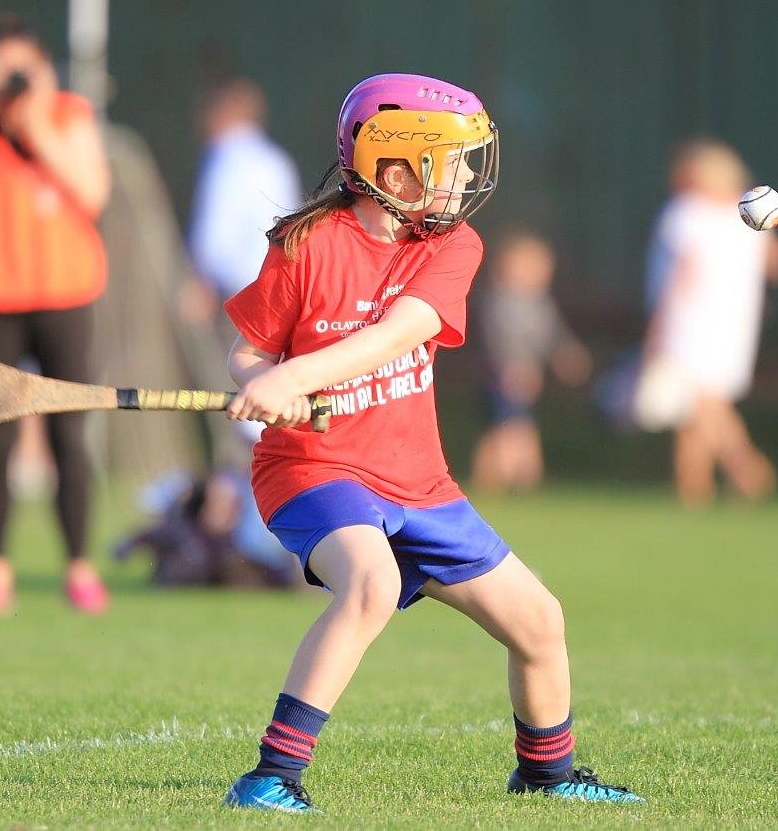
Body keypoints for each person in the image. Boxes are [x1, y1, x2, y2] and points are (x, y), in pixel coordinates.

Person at [217, 73, 644, 812]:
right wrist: (264, 386)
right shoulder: (305, 244)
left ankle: (546, 772)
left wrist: (302, 373)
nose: (467, 178)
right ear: (394, 169)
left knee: (540, 621)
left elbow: (397, 334)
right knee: (371, 584)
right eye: (451, 162)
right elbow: (248, 351)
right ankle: (270, 776)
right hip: (315, 468)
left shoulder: (453, 245)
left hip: (417, 479)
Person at [0, 14, 112, 613]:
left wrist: (36, 120)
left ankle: (80, 568)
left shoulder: (68, 115)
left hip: (66, 298)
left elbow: (92, 193)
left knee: (69, 432)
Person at [644, 139, 778, 506]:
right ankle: (695, 490)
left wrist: (657, 329)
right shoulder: (746, 214)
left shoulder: (685, 212)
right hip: (735, 323)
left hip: (691, 323)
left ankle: (750, 472)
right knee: (698, 408)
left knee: (703, 406)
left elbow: (681, 276)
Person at [470, 230, 592, 493]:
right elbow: (498, 337)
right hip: (503, 376)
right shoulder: (500, 302)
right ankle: (490, 484)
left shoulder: (538, 303)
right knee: (504, 430)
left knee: (521, 426)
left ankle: (525, 485)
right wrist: (512, 367)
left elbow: (552, 335)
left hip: (526, 377)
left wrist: (567, 355)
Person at [182, 77, 302, 321]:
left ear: (218, 115)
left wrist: (199, 282)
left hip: (237, 297)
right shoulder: (276, 159)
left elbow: (213, 235)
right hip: (282, 291)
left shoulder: (225, 157)